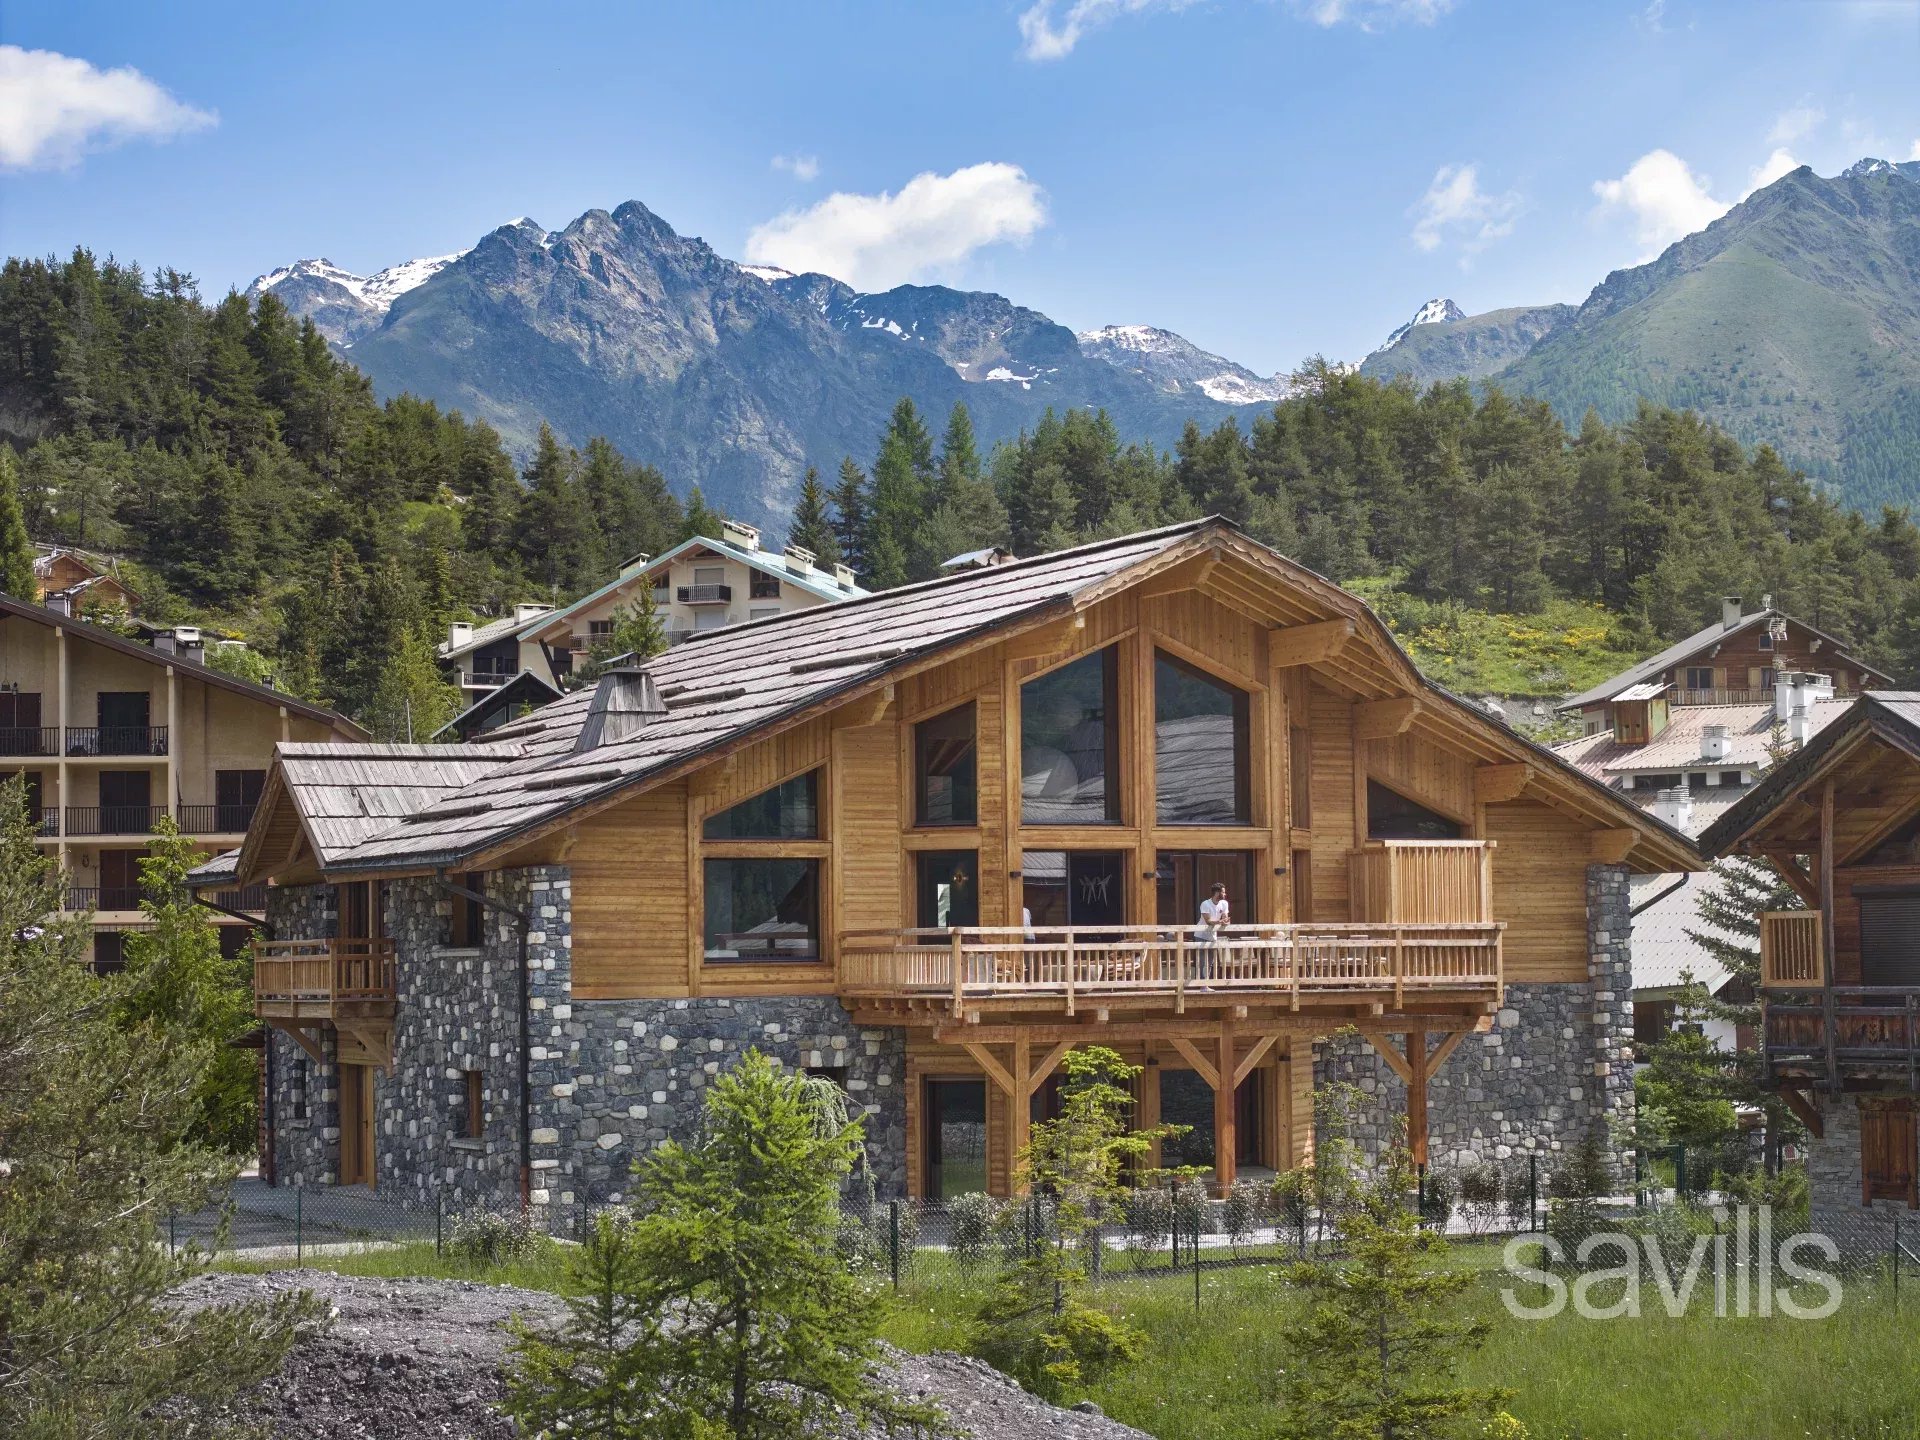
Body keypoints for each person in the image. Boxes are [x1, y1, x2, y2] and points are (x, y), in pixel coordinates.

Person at [1193, 882, 1229, 981]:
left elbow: (1225, 917)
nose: (1225, 894)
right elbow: (1208, 921)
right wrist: (1219, 921)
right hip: (1201, 934)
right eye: (1223, 892)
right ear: (1217, 893)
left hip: (1213, 935)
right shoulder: (1205, 904)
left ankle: (1206, 983)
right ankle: (1201, 983)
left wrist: (1226, 921)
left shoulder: (1224, 903)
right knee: (1202, 961)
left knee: (1210, 961)